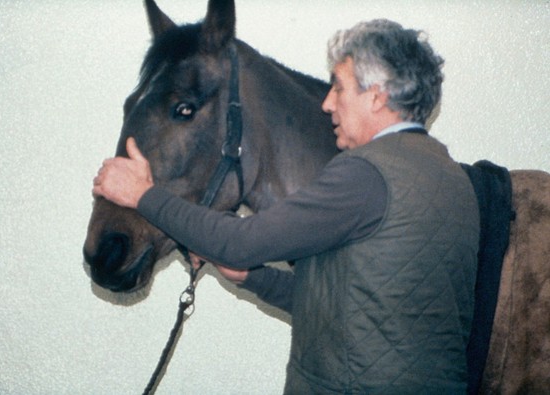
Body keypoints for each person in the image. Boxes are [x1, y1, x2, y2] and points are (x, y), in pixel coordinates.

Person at [93, 19, 480, 394]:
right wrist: (251, 278)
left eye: (339, 89)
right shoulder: (444, 173)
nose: (327, 104)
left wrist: (142, 195)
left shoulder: (366, 174)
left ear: (376, 96)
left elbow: (242, 242)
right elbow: (348, 306)